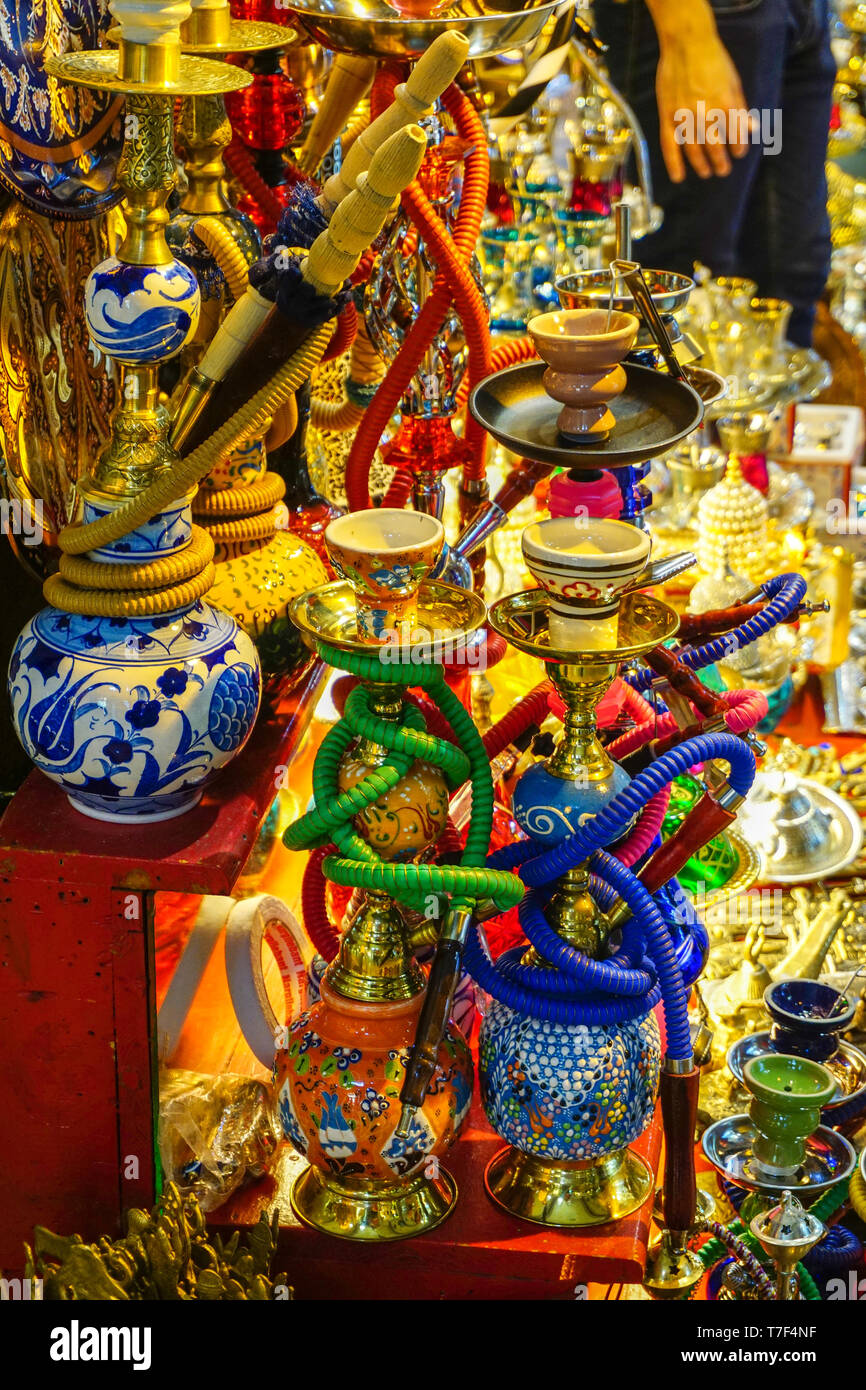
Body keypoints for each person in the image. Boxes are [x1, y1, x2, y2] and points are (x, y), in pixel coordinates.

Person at [591, 0, 837, 345]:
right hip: (707, 17)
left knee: (789, 276)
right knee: (686, 286)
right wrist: (686, 29)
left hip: (801, 14)